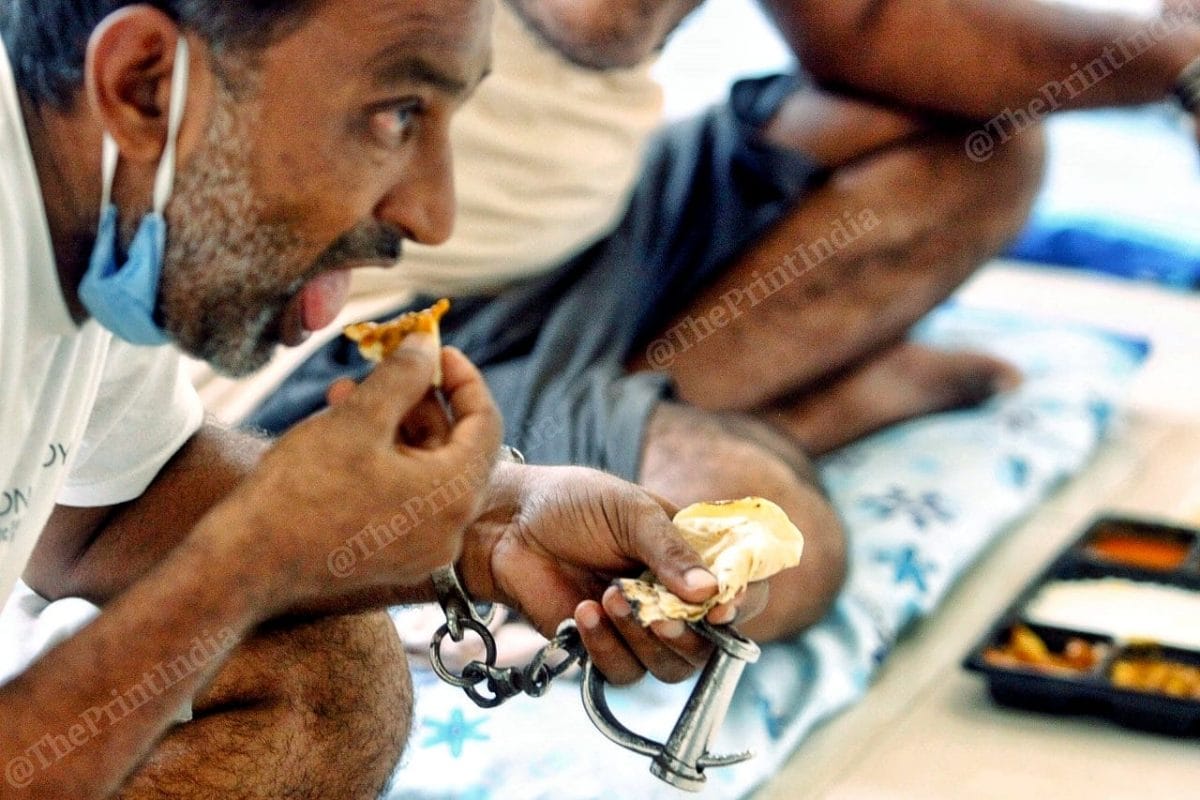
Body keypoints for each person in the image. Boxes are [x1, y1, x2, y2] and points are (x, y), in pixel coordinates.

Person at [240, 0, 1200, 642]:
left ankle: (631, 410)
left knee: (986, 152)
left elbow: (872, 26)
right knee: (769, 542)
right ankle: (784, 424)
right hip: (376, 330)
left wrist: (1176, 53)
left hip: (591, 237)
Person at [0, 1, 766, 797]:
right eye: (396, 116)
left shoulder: (94, 217)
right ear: (144, 86)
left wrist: (487, 523)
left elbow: (100, 521)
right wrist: (253, 561)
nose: (433, 217)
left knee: (325, 677)